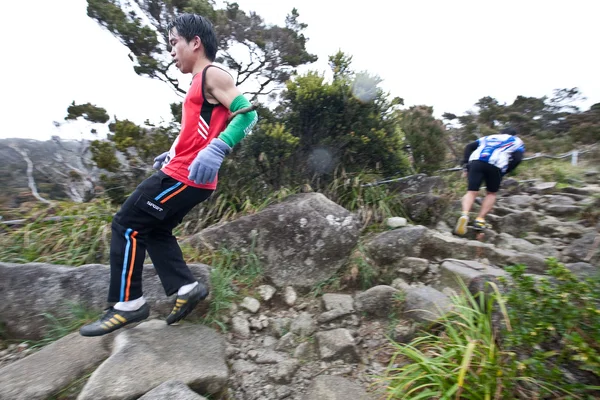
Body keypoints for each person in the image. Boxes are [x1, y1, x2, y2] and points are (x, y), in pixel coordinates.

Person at [80, 13, 258, 336]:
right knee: (155, 231)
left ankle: (127, 304)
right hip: (184, 171)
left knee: (127, 223)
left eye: (174, 43)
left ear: (195, 43)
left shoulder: (212, 74)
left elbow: (248, 114)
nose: (172, 51)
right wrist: (173, 151)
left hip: (184, 176)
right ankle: (187, 288)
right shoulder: (197, 82)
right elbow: (198, 129)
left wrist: (218, 148)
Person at [454, 127, 525, 235]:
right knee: (491, 193)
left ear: (501, 132)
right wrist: (507, 170)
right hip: (496, 164)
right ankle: (480, 220)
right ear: (515, 134)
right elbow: (518, 158)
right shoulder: (516, 140)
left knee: (471, 192)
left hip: (476, 161)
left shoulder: (489, 137)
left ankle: (464, 214)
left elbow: (469, 147)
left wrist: (465, 164)